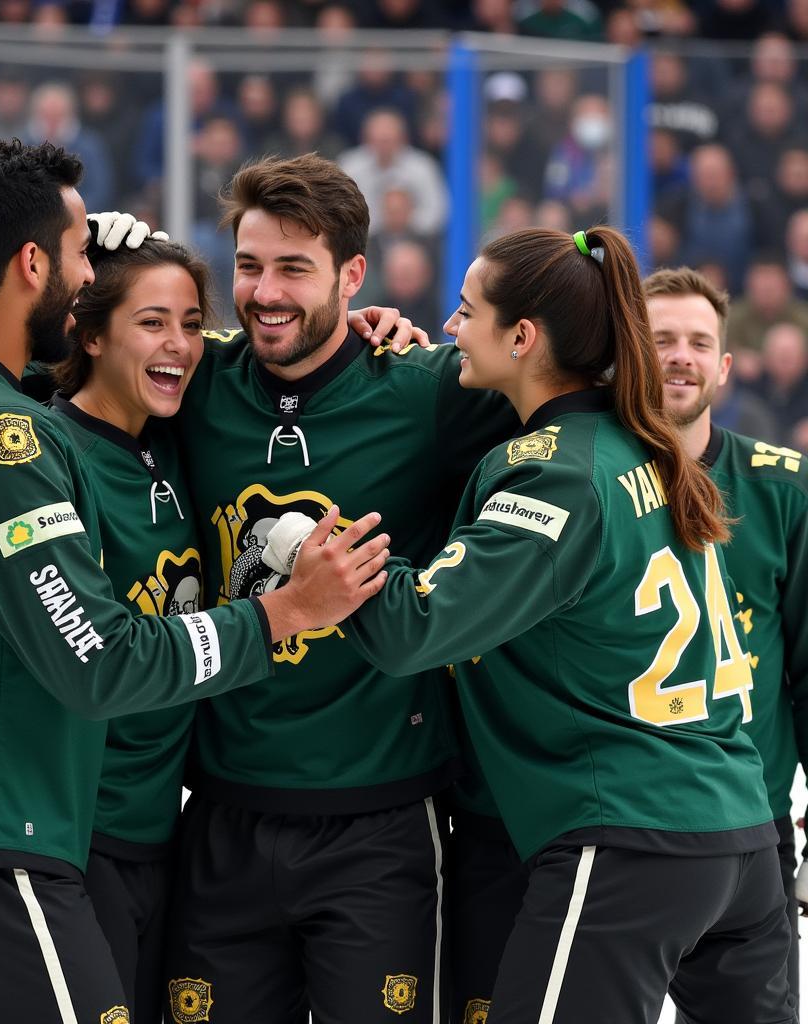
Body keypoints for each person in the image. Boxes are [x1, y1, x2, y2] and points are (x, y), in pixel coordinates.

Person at [0, 139, 390, 1024]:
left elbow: (100, 349)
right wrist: (284, 614)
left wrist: (345, 332)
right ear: (32, 264)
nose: (91, 268)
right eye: (80, 255)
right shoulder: (1, 434)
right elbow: (100, 664)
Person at [340, 226, 795, 1023]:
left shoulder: (555, 468)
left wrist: (307, 557)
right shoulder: (649, 445)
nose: (449, 328)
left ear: (521, 337)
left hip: (631, 836)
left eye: (464, 310)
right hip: (741, 830)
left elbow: (415, 626)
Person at [149, 153, 518, 1023]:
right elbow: (71, 350)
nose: (265, 291)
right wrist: (99, 244)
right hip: (222, 817)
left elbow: (569, 394)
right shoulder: (198, 381)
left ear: (353, 275)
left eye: (294, 269)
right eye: (248, 265)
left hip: (383, 828)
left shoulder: (424, 391)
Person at [49, 235, 213, 1024]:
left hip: (168, 833)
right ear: (88, 331)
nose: (179, 344)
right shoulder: (51, 456)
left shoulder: (177, 440)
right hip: (79, 842)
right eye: (152, 322)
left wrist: (371, 323)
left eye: (191, 322)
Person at [644, 266, 808, 1017]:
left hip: (753, 825)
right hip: (623, 831)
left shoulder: (783, 490)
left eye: (698, 342)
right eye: (661, 339)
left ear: (725, 366)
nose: (681, 355)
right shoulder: (574, 478)